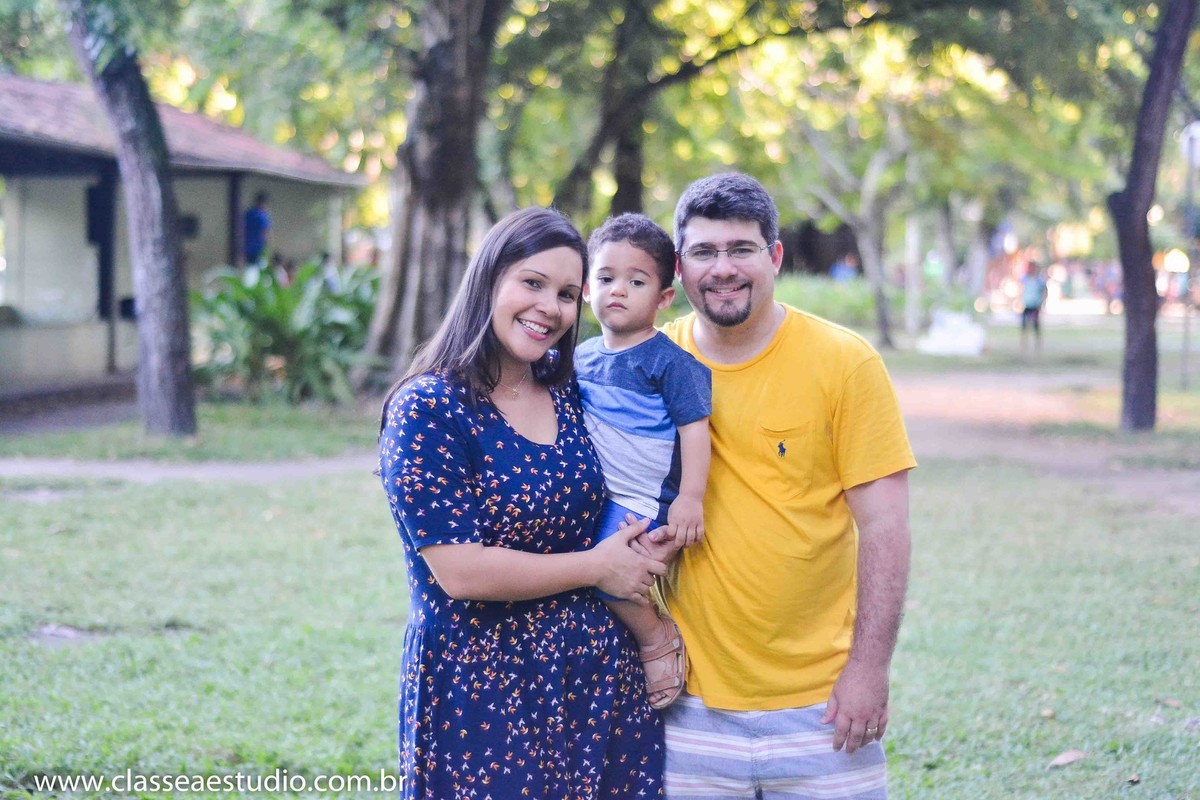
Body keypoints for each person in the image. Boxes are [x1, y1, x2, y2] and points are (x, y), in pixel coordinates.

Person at [377, 207, 667, 800]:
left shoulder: (569, 390)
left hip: (599, 685)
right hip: (482, 694)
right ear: (489, 279)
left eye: (566, 293)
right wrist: (597, 567)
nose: (549, 308)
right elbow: (460, 571)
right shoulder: (429, 409)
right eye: (532, 283)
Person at [653, 173, 916, 799]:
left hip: (823, 706)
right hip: (685, 703)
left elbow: (886, 525)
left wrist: (869, 670)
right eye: (704, 251)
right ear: (679, 267)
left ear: (773, 256)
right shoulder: (649, 365)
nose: (723, 268)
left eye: (741, 249)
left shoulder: (844, 363)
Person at [575, 213, 712, 710]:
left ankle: (656, 638)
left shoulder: (669, 362)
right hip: (598, 493)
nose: (618, 290)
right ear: (586, 289)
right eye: (606, 278)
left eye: (636, 282)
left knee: (613, 574)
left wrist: (690, 498)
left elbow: (695, 430)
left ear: (663, 297)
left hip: (642, 498)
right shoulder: (581, 356)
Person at [1020, 260, 1048, 353]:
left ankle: (1037, 343)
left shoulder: (1039, 280)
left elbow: (1044, 290)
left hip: (1035, 305)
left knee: (1035, 325)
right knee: (1024, 324)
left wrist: (1042, 302)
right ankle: (1024, 342)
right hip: (1026, 304)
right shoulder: (1025, 278)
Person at [243, 192, 272, 266]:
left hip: (245, 248)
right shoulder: (263, 216)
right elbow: (266, 233)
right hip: (258, 249)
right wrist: (267, 248)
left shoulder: (248, 213)